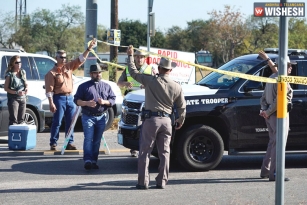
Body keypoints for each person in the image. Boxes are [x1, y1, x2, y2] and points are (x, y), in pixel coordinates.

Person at [126, 45, 186, 190]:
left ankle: (143, 182)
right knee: (165, 153)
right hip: (167, 121)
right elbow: (182, 106)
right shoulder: (177, 86)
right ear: (170, 70)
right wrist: (180, 120)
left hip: (151, 120)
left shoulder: (150, 81)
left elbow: (133, 73)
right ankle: (161, 181)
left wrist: (130, 56)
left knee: (145, 151)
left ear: (159, 68)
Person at [45, 38, 97, 151]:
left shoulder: (68, 67)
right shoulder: (51, 73)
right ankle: (53, 143)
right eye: (61, 57)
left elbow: (81, 59)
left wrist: (88, 49)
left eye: (65, 57)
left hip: (70, 97)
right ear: (56, 58)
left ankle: (69, 142)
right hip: (59, 98)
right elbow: (49, 90)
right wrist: (51, 103)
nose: (64, 59)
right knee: (57, 122)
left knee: (71, 122)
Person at [259, 54, 295, 181]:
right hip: (278, 114)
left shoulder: (272, 77)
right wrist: (268, 111)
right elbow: (279, 100)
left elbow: (263, 97)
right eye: (290, 66)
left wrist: (264, 110)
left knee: (273, 143)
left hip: (270, 115)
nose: (291, 68)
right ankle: (274, 173)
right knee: (279, 145)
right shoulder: (282, 80)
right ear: (285, 66)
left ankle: (266, 170)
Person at [74, 64, 116, 170]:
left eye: (99, 72)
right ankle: (87, 160)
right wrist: (87, 103)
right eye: (96, 73)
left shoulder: (106, 86)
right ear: (91, 74)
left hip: (101, 117)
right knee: (88, 139)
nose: (98, 74)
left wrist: (104, 102)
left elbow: (112, 100)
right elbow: (77, 101)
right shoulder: (83, 86)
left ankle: (94, 161)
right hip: (88, 117)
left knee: (97, 140)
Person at [117, 50, 155, 157]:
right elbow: (119, 83)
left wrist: (147, 86)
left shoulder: (150, 69)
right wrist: (125, 83)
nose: (139, 59)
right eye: (137, 57)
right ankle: (133, 148)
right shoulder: (128, 69)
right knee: (133, 127)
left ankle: (147, 148)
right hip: (132, 103)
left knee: (146, 126)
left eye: (141, 57)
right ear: (134, 58)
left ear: (145, 58)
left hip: (145, 101)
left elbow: (156, 84)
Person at [4, 55, 28, 125]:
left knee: (21, 120)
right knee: (13, 120)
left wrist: (26, 88)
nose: (19, 64)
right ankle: (13, 135)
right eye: (17, 62)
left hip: (23, 98)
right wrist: (16, 92)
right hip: (13, 99)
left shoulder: (23, 72)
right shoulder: (10, 74)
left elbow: (26, 83)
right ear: (13, 64)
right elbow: (6, 88)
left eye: (20, 62)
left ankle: (21, 135)